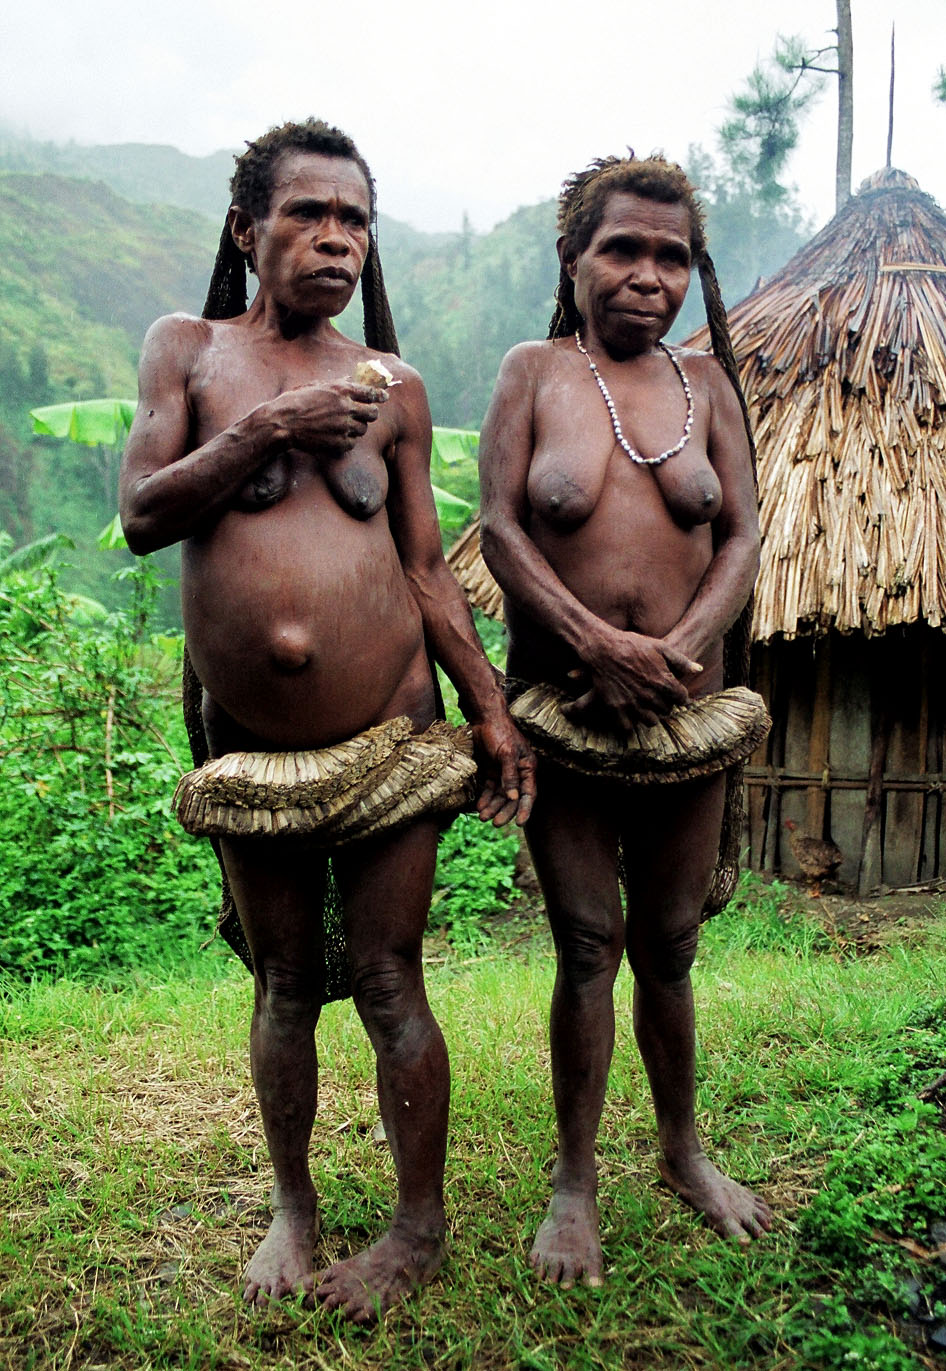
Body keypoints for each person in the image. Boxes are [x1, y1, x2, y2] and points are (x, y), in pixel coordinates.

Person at [119, 118, 534, 1321]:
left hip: (392, 741)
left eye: (355, 220)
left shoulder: (389, 387)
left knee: (394, 979)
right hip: (252, 756)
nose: (337, 239)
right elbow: (143, 514)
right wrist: (262, 432)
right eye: (309, 215)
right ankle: (292, 1209)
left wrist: (490, 711)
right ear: (249, 230)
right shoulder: (188, 352)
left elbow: (426, 568)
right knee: (286, 984)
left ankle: (417, 1226)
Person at [478, 153, 770, 1289]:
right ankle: (573, 1183)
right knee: (590, 943)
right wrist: (594, 643)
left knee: (673, 943)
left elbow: (741, 534)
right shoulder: (535, 372)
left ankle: (685, 1153)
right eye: (623, 249)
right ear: (574, 256)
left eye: (672, 255)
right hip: (564, 710)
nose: (649, 274)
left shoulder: (709, 387)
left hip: (686, 718)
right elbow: (501, 526)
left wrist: (683, 649)